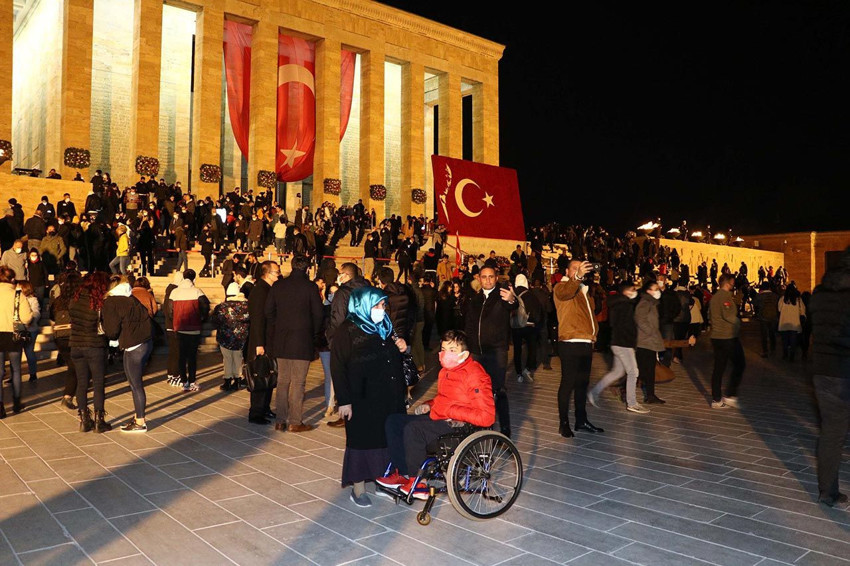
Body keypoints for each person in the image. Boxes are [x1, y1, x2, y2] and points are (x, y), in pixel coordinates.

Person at [378, 330, 495, 499]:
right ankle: (403, 473)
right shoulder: (445, 371)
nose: (446, 354)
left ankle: (417, 482)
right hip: (440, 419)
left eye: (452, 350)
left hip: (459, 426)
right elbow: (445, 399)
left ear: (464, 354)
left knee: (414, 429)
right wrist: (429, 404)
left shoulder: (475, 374)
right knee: (394, 421)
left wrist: (450, 411)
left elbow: (487, 417)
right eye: (443, 349)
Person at [331, 286, 408, 507]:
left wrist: (402, 347)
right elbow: (338, 367)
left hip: (389, 396)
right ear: (361, 305)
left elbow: (393, 357)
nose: (381, 310)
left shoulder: (385, 326)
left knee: (387, 440)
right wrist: (344, 401)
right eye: (376, 305)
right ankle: (358, 488)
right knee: (362, 442)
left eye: (383, 305)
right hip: (361, 399)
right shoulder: (347, 330)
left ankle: (383, 481)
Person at [808, 246, 850, 507]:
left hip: (822, 369)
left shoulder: (819, 293)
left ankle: (827, 492)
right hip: (846, 370)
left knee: (831, 432)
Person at [265, 255, 323, 432]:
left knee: (283, 381)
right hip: (302, 339)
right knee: (298, 382)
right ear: (307, 269)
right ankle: (295, 421)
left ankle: (280, 419)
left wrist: (279, 325)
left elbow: (268, 311)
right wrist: (313, 332)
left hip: (282, 340)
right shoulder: (310, 287)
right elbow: (318, 314)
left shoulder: (278, 285)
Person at [464, 266, 517, 437]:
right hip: (476, 351)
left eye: (491, 277)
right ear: (479, 278)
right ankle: (481, 424)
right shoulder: (474, 299)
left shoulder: (501, 296)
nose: (487, 280)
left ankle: (506, 428)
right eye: (484, 277)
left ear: (496, 278)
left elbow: (512, 304)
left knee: (498, 389)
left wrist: (511, 299)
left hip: (496, 351)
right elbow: (470, 325)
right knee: (477, 389)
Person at [554, 260, 603, 437]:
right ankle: (563, 423)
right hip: (570, 342)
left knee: (582, 384)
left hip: (586, 342)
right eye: (575, 268)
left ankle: (581, 420)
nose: (579, 271)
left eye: (582, 268)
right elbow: (567, 292)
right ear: (567, 271)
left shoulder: (584, 290)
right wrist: (578, 277)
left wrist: (594, 334)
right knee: (568, 383)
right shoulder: (561, 287)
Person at [102, 276, 153, 433]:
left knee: (135, 384)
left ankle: (140, 422)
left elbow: (111, 331)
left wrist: (106, 332)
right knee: (135, 383)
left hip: (133, 345)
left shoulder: (111, 302)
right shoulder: (132, 298)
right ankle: (138, 416)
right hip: (146, 341)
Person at [587, 282, 647, 413]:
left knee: (617, 372)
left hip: (618, 342)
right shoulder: (623, 305)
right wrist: (632, 342)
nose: (635, 292)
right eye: (633, 289)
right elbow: (626, 326)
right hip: (623, 343)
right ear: (626, 292)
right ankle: (632, 403)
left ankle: (594, 393)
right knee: (633, 372)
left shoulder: (620, 304)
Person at [70, 271, 111, 432]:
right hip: (94, 346)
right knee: (99, 383)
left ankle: (84, 419)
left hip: (76, 345)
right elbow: (103, 325)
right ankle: (99, 421)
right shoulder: (99, 302)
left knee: (82, 383)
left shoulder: (75, 299)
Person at [162, 269, 210, 392]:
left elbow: (170, 310)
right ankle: (192, 380)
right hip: (194, 329)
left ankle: (184, 381)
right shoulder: (197, 291)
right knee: (192, 357)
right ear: (194, 278)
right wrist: (201, 318)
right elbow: (205, 306)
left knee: (181, 356)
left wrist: (176, 320)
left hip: (179, 328)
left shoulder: (175, 292)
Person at [247, 261, 280, 422]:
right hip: (261, 342)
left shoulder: (268, 289)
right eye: (276, 272)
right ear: (267, 273)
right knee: (260, 377)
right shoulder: (260, 291)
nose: (278, 275)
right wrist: (259, 343)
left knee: (268, 375)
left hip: (268, 340)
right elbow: (258, 320)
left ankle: (265, 408)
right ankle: (256, 413)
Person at [0, 267, 33, 416]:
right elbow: (27, 318)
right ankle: (16, 402)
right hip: (14, 335)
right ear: (12, 279)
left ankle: (0, 407)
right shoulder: (18, 295)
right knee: (16, 369)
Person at [708, 273, 745, 409]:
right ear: (727, 282)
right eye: (732, 282)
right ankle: (730, 394)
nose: (733, 284)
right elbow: (728, 315)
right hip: (727, 336)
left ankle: (716, 399)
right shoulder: (724, 297)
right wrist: (738, 322)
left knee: (719, 367)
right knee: (740, 364)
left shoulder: (715, 297)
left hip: (717, 336)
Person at [210, 283, 251, 397]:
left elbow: (214, 321)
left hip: (225, 337)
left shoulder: (222, 307)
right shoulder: (246, 305)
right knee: (238, 357)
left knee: (227, 358)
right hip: (241, 337)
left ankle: (227, 380)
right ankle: (238, 379)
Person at [50, 271, 83, 410]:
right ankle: (69, 396)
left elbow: (52, 318)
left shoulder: (58, 300)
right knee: (76, 367)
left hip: (60, 336)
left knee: (72, 365)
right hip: (74, 335)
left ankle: (69, 395)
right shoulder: (78, 300)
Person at [634, 279, 667, 405]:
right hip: (645, 341)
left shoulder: (652, 303)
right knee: (644, 370)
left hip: (649, 341)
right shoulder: (645, 302)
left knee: (648, 370)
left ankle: (650, 395)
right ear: (648, 291)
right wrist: (651, 331)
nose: (658, 291)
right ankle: (625, 389)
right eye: (655, 288)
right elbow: (640, 319)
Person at [512, 273, 542, 383]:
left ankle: (518, 372)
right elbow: (538, 313)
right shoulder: (532, 295)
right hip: (529, 326)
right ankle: (528, 368)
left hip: (516, 326)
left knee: (517, 350)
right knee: (531, 348)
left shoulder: (512, 294)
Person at [16, 282, 40, 383]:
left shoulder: (33, 300)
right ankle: (15, 375)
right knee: (16, 353)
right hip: (18, 329)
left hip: (30, 330)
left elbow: (36, 312)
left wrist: (31, 321)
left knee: (29, 352)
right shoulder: (16, 299)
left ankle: (33, 373)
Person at [778, 282, 805, 362]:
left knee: (785, 340)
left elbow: (779, 309)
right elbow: (802, 311)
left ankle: (785, 354)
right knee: (793, 341)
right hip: (794, 323)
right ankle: (792, 356)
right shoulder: (798, 299)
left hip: (784, 322)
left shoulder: (783, 299)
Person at [754, 280, 779, 357]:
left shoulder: (759, 296)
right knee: (772, 334)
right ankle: (773, 350)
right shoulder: (775, 295)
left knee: (764, 335)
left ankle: (765, 351)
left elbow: (755, 304)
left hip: (763, 317)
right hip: (773, 317)